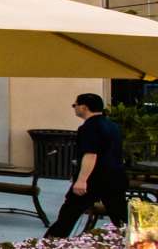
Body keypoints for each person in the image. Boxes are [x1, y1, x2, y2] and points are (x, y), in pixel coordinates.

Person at [47, 91, 129, 238]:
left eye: (75, 105)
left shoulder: (89, 127)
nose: (74, 108)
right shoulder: (112, 126)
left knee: (68, 216)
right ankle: (138, 244)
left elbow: (91, 154)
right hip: (115, 177)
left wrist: (81, 180)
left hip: (94, 179)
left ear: (84, 108)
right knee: (121, 217)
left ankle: (50, 245)